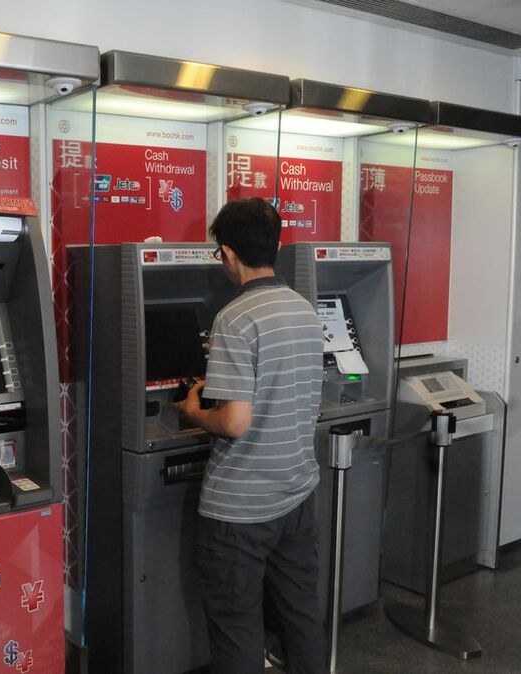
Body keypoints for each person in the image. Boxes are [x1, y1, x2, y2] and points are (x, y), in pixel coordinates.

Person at [173, 197, 326, 674]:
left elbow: (235, 422)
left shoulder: (235, 318)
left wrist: (194, 411)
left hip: (239, 510)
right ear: (275, 246)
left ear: (227, 253)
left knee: (237, 628)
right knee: (301, 616)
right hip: (296, 493)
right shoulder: (304, 309)